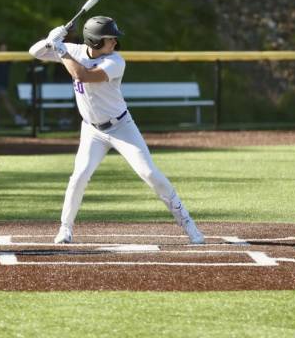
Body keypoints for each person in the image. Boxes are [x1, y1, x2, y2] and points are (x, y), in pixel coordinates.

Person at [29, 16, 205, 244]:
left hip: (122, 126)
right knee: (79, 176)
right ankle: (65, 228)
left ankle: (187, 222)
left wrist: (61, 50)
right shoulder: (75, 50)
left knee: (149, 173)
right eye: (109, 38)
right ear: (94, 41)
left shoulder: (115, 61)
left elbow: (82, 75)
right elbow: (35, 52)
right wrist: (52, 38)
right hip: (92, 130)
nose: (114, 42)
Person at [0, 42, 27, 127]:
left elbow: (15, 60)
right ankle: (16, 118)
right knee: (6, 101)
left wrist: (26, 56)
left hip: (4, 83)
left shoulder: (7, 59)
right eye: (2, 48)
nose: (4, 50)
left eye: (5, 48)